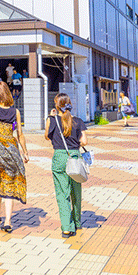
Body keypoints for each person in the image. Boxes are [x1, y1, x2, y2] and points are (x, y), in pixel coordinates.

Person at [0, 80, 28, 234]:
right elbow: (20, 134)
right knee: (9, 184)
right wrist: (25, 152)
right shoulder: (15, 112)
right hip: (12, 152)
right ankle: (8, 221)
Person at [47, 93, 87, 238]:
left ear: (56, 105)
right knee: (76, 192)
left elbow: (46, 136)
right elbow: (85, 141)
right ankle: (77, 222)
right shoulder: (78, 121)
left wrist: (51, 117)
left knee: (62, 193)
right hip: (74, 156)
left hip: (59, 157)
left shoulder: (52, 120)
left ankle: (67, 227)